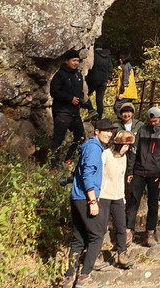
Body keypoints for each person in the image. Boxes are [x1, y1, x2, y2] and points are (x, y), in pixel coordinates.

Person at [62, 118, 116, 286]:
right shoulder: (93, 148)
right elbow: (87, 176)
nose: (109, 134)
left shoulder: (90, 146)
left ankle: (69, 277)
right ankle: (84, 276)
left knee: (78, 239)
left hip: (77, 196)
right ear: (96, 131)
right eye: (105, 131)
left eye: (111, 131)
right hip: (85, 198)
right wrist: (92, 200)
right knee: (97, 235)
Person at [126, 106, 160, 247]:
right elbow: (134, 151)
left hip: (155, 173)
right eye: (151, 121)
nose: (153, 124)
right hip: (139, 172)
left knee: (153, 203)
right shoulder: (142, 130)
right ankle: (129, 230)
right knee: (134, 200)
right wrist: (130, 171)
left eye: (156, 121)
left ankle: (150, 232)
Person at [99, 130, 135, 270]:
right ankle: (96, 255)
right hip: (104, 196)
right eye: (124, 145)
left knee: (121, 227)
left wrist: (123, 197)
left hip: (118, 197)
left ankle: (122, 254)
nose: (126, 149)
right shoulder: (106, 155)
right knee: (101, 228)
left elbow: (121, 178)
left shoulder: (124, 158)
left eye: (128, 146)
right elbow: (100, 175)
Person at [49, 49, 87, 166]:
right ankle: (54, 165)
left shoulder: (78, 75)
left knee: (80, 136)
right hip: (62, 112)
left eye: (78, 61)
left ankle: (68, 158)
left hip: (74, 112)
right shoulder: (60, 75)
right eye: (73, 60)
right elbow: (54, 92)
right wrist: (70, 99)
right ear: (67, 61)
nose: (76, 63)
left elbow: (80, 92)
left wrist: (80, 100)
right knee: (58, 139)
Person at [85, 45, 113, 121]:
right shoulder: (107, 56)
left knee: (83, 94)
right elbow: (110, 68)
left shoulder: (93, 54)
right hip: (104, 80)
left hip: (93, 79)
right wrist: (109, 78)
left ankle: (91, 110)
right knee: (99, 100)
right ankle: (99, 118)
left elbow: (90, 66)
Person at [113, 52, 139, 116]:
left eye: (121, 58)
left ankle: (124, 121)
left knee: (117, 106)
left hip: (126, 93)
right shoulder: (128, 66)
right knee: (126, 108)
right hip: (130, 92)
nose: (120, 59)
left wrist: (121, 93)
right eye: (120, 58)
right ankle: (129, 122)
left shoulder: (126, 67)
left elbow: (125, 80)